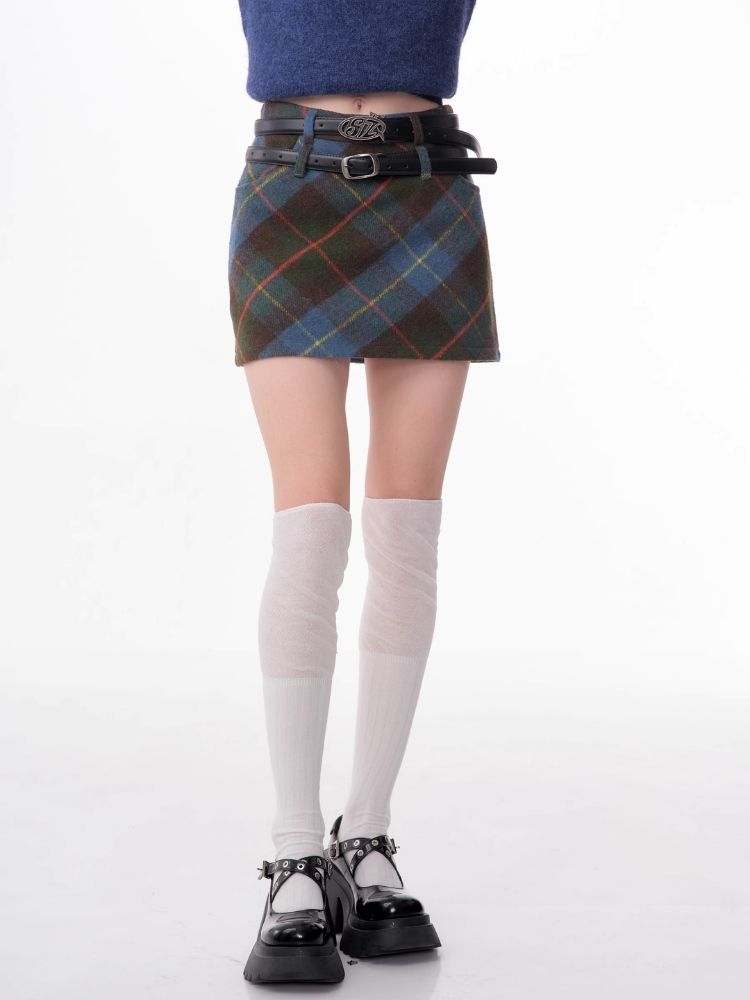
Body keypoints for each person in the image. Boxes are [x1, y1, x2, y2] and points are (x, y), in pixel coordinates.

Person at [228, 0, 501, 985]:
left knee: (406, 531)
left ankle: (369, 834)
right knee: (311, 531)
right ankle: (295, 850)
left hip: (429, 188)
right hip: (290, 180)